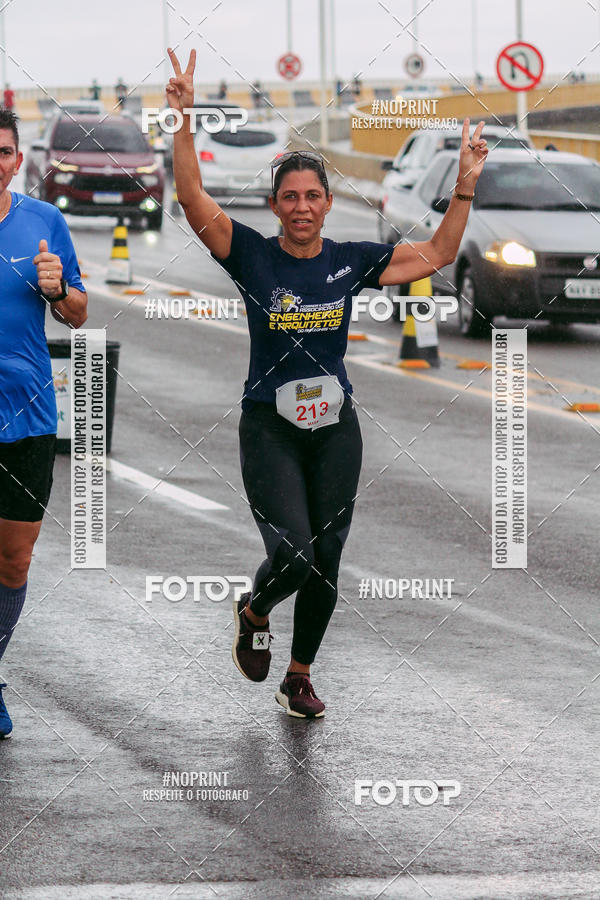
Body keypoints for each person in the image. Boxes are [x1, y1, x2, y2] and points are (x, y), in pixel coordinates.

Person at [167, 48, 488, 718]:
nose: (303, 206)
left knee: (329, 555)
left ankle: (300, 674)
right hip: (270, 426)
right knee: (295, 553)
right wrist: (183, 122)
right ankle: (254, 610)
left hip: (335, 425)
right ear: (276, 205)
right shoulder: (251, 255)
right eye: (291, 197)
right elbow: (193, 198)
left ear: (328, 202)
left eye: (313, 195)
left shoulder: (349, 261)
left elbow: (437, 253)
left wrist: (464, 186)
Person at [0, 108, 87, 738]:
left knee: (13, 561)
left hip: (27, 412)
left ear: (17, 157)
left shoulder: (44, 221)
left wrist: (58, 290)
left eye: (5, 151)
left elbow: (79, 315)